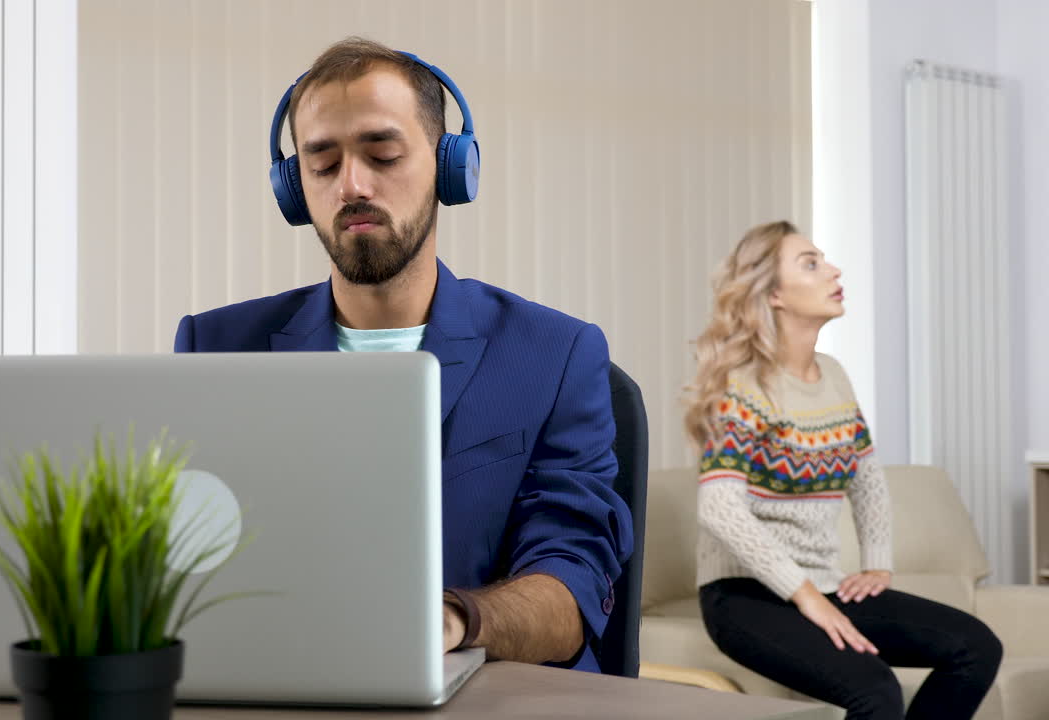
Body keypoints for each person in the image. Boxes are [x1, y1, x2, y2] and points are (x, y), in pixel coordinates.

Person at [173, 37, 632, 672]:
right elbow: (192, 564)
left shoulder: (554, 355)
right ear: (292, 188)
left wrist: (452, 622)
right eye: (323, 165)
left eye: (382, 154)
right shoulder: (216, 347)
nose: (352, 185)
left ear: (451, 168)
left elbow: (572, 587)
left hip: (486, 696)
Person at [685, 220, 1002, 718]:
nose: (832, 270)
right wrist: (808, 597)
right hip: (745, 597)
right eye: (810, 263)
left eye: (824, 259)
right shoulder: (742, 386)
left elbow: (867, 478)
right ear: (773, 294)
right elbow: (719, 508)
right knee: (875, 690)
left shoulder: (832, 374)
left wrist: (877, 561)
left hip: (824, 582)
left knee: (975, 647)